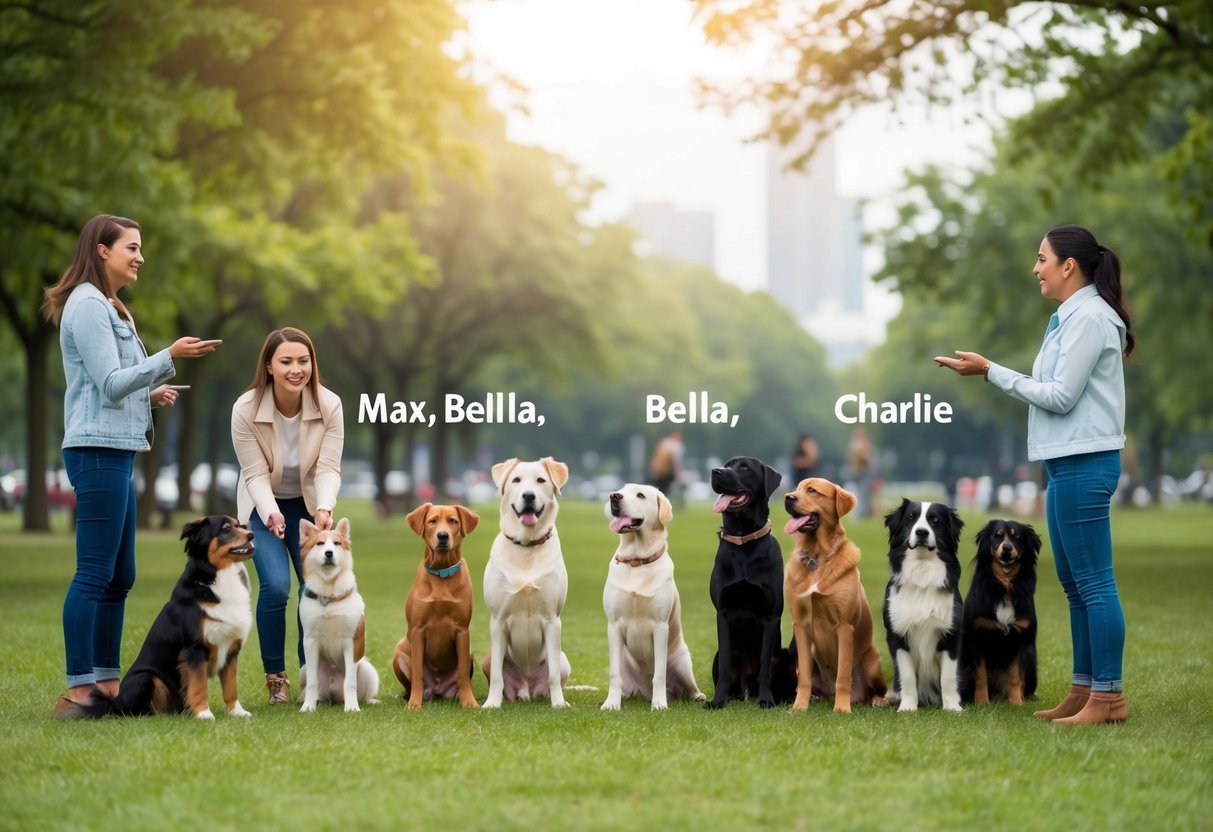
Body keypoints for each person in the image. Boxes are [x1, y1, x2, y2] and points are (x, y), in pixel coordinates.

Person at [935, 223, 1133, 725]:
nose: (1035, 267)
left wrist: (991, 371)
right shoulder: (1070, 319)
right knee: (1073, 582)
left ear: (1069, 266)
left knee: (1095, 583)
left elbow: (1061, 396)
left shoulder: (1089, 318)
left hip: (1086, 464)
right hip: (1065, 464)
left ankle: (1108, 698)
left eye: (1041, 258)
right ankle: (1085, 690)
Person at [43, 214, 220, 712]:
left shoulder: (113, 307)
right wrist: (170, 355)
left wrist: (152, 392)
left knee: (121, 575)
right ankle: (81, 689)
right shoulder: (88, 305)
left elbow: (120, 382)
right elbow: (110, 382)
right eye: (132, 247)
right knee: (94, 573)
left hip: (117, 447)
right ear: (102, 251)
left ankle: (110, 684)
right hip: (95, 449)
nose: (140, 256)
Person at [231, 327, 344, 704]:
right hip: (262, 504)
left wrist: (325, 505)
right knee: (277, 586)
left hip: (309, 505)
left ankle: (309, 674)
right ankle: (276, 677)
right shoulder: (245, 409)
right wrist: (270, 512)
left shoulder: (330, 405)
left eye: (303, 360)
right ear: (268, 366)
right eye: (286, 361)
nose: (296, 369)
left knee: (311, 588)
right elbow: (254, 473)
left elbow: (328, 466)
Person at [847, 428, 875, 517]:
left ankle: (864, 513)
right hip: (861, 476)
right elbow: (867, 461)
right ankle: (861, 514)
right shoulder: (858, 447)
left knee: (864, 496)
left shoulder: (855, 446)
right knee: (862, 496)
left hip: (862, 475)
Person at [648, 429, 685, 497]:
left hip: (658, 471)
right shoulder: (677, 446)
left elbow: (656, 457)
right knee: (664, 490)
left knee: (658, 488)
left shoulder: (664, 443)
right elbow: (676, 462)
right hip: (667, 472)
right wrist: (679, 474)